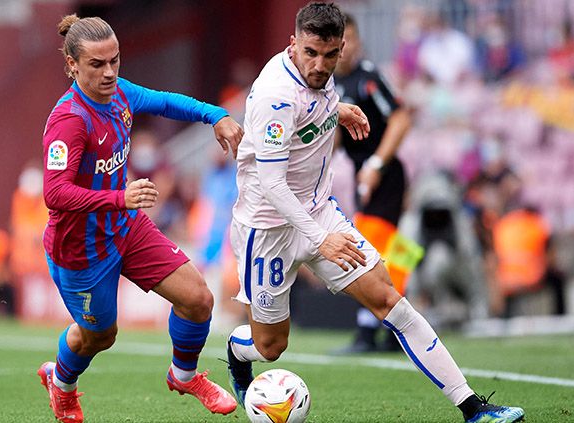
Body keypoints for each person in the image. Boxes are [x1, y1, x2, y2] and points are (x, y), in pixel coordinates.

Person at [224, 3, 524, 423]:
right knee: (271, 346)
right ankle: (237, 351)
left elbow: (314, 103)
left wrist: (335, 110)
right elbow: (273, 186)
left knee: (390, 300)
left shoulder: (327, 80)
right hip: (268, 228)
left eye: (330, 55)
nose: (319, 65)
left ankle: (473, 407)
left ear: (341, 48)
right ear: (292, 43)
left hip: (318, 212)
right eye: (310, 53)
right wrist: (320, 239)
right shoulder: (276, 96)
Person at [37, 15, 243, 423]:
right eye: (97, 64)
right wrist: (120, 196)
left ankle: (183, 375)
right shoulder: (69, 121)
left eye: (115, 60)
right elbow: (54, 193)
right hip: (81, 250)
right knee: (100, 336)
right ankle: (60, 382)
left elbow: (166, 102)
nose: (110, 72)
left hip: (125, 228)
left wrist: (215, 114)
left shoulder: (120, 95)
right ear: (72, 65)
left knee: (198, 299)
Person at [331, 13, 413, 354]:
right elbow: (333, 138)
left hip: (385, 173)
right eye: (340, 42)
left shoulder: (368, 78)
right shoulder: (331, 86)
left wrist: (378, 163)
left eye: (350, 40)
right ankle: (396, 329)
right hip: (365, 174)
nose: (345, 49)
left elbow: (401, 116)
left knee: (368, 246)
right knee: (394, 249)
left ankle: (368, 332)